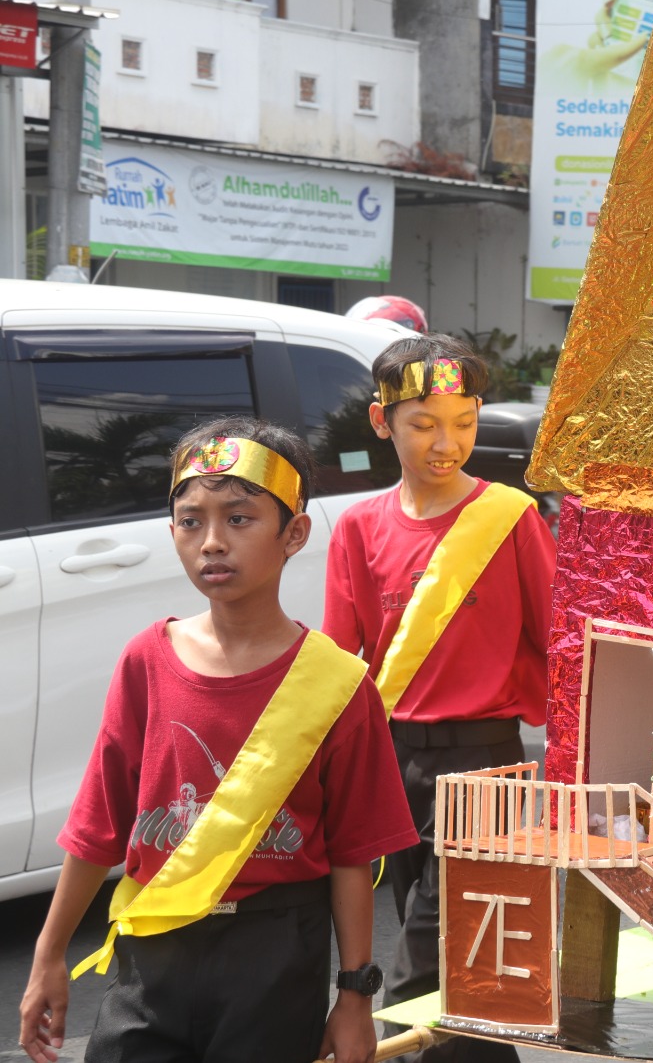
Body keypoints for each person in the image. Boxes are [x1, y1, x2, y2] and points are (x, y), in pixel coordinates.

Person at [18, 418, 416, 1063]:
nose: (211, 543)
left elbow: (353, 855)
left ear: (295, 534)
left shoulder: (338, 683)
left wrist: (353, 998)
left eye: (239, 519)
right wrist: (48, 956)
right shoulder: (146, 659)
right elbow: (99, 825)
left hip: (278, 956)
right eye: (190, 520)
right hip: (152, 951)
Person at [323, 334, 556, 1062]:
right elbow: (340, 666)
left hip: (487, 766)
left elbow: (559, 643)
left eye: (463, 421)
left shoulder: (511, 517)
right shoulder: (358, 528)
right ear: (380, 422)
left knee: (428, 958)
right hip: (392, 761)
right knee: (469, 973)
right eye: (422, 423)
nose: (445, 442)